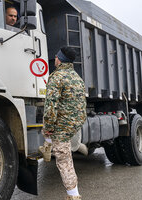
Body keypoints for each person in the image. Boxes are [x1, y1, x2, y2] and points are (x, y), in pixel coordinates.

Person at [42, 46, 87, 200]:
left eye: (56, 56)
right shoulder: (77, 78)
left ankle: (74, 196)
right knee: (59, 148)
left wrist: (48, 128)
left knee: (64, 160)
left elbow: (50, 107)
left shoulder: (56, 77)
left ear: (60, 59)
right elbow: (82, 105)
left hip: (61, 125)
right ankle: (47, 148)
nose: (54, 58)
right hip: (74, 123)